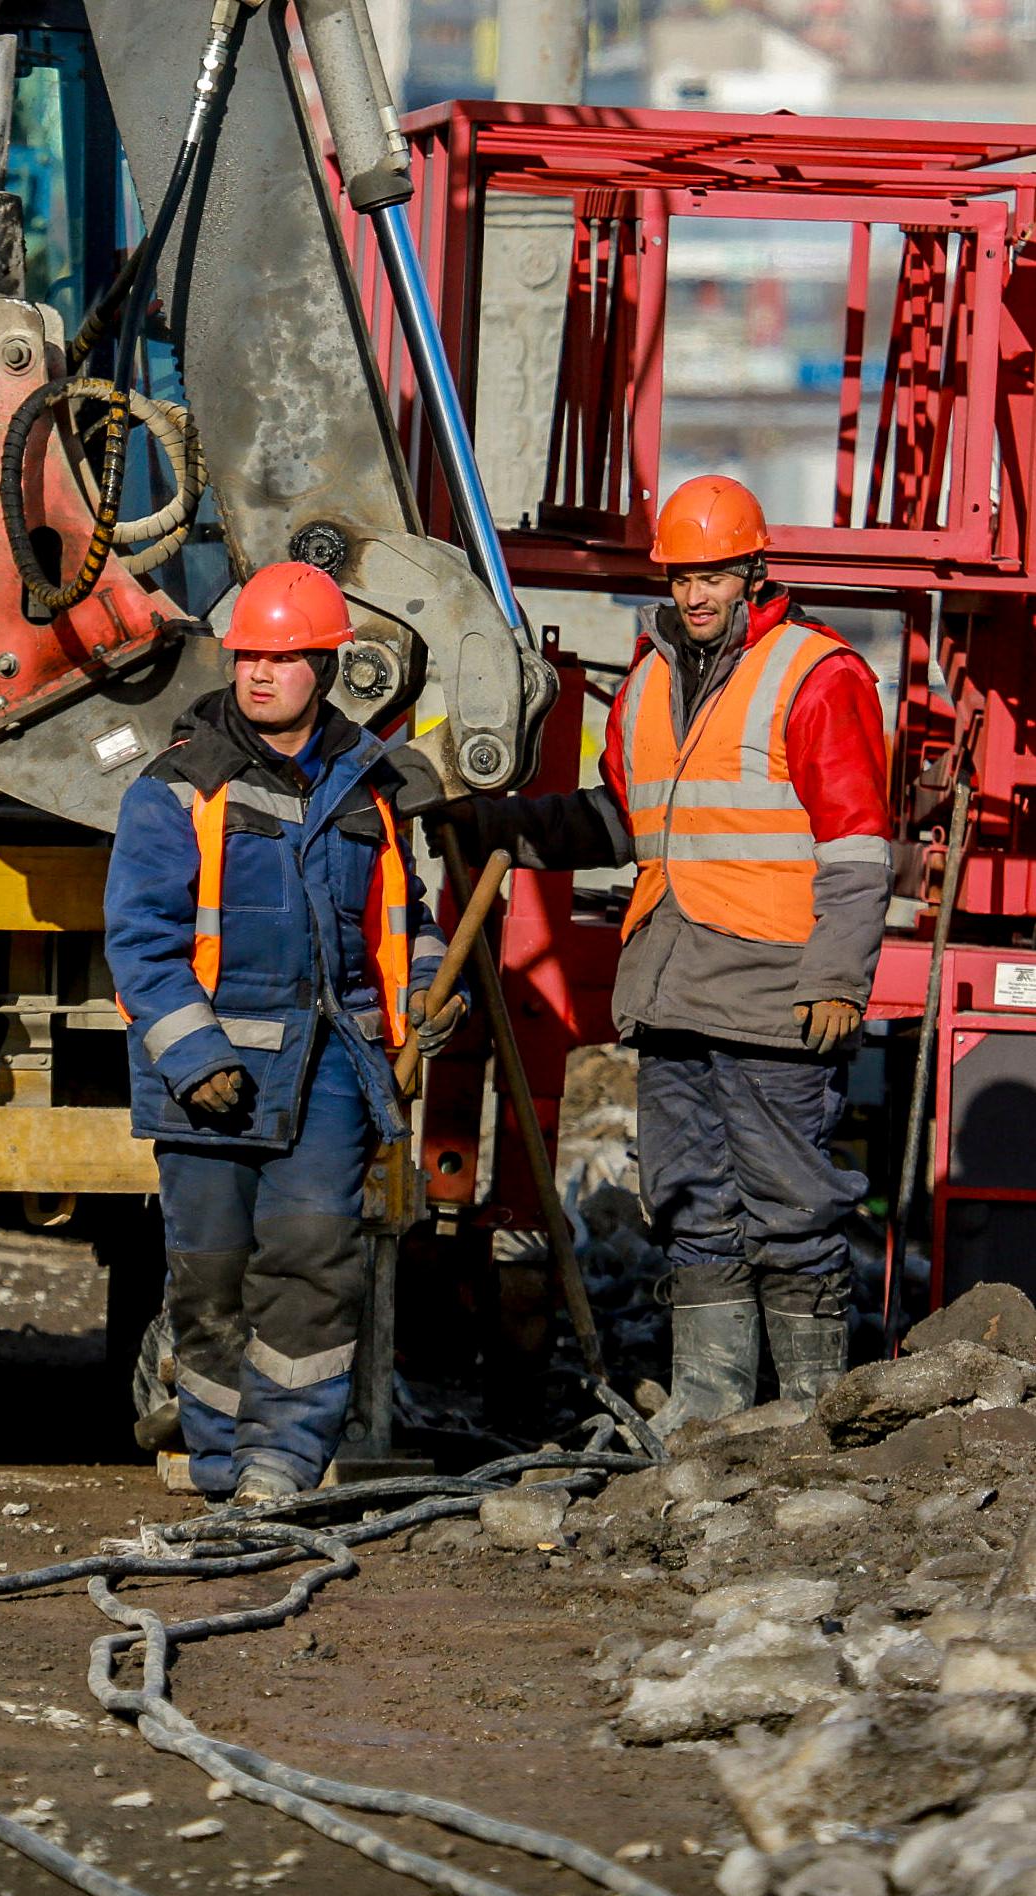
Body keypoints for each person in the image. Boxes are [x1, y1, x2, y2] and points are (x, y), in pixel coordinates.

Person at [423, 475, 889, 1431]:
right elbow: (619, 819)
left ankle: (809, 1417)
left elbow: (855, 847)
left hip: (773, 989)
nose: (696, 595)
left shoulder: (816, 675)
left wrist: (838, 975)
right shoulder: (649, 681)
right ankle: (711, 1414)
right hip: (673, 982)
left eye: (713, 575)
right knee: (687, 1199)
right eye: (682, 577)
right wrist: (504, 826)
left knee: (790, 1206)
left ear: (753, 571)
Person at [106, 560, 465, 1503]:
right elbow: (140, 943)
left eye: (281, 657)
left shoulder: (369, 788)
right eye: (247, 657)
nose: (258, 673)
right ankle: (219, 1456)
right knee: (210, 1278)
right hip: (210, 1086)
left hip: (331, 1071)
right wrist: (194, 1057)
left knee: (312, 1266)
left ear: (327, 665)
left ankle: (282, 1459)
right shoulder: (177, 786)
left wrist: (429, 985)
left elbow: (401, 914)